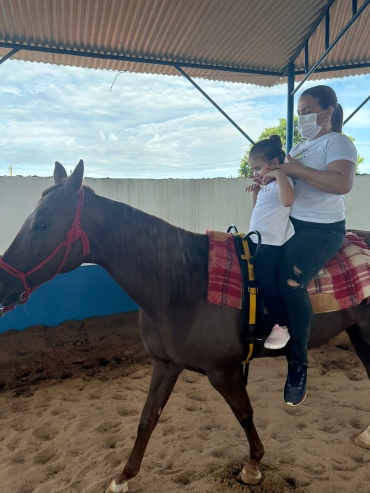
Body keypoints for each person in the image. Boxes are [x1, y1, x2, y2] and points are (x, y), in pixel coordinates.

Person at [262, 85, 357, 406]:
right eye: (299, 113)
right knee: (257, 266)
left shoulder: (338, 142)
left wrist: (295, 169)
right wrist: (271, 176)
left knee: (291, 280)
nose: (301, 118)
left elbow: (341, 183)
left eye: (307, 111)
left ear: (328, 112)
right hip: (288, 222)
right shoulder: (298, 148)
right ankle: (273, 326)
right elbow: (289, 182)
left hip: (321, 228)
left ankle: (298, 363)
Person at [246, 135, 295, 350]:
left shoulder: (283, 181)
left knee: (267, 281)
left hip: (272, 242)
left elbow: (287, 201)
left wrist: (278, 174)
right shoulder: (267, 184)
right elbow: (257, 209)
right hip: (258, 238)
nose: (254, 173)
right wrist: (257, 191)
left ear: (274, 163)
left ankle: (281, 325)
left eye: (258, 168)